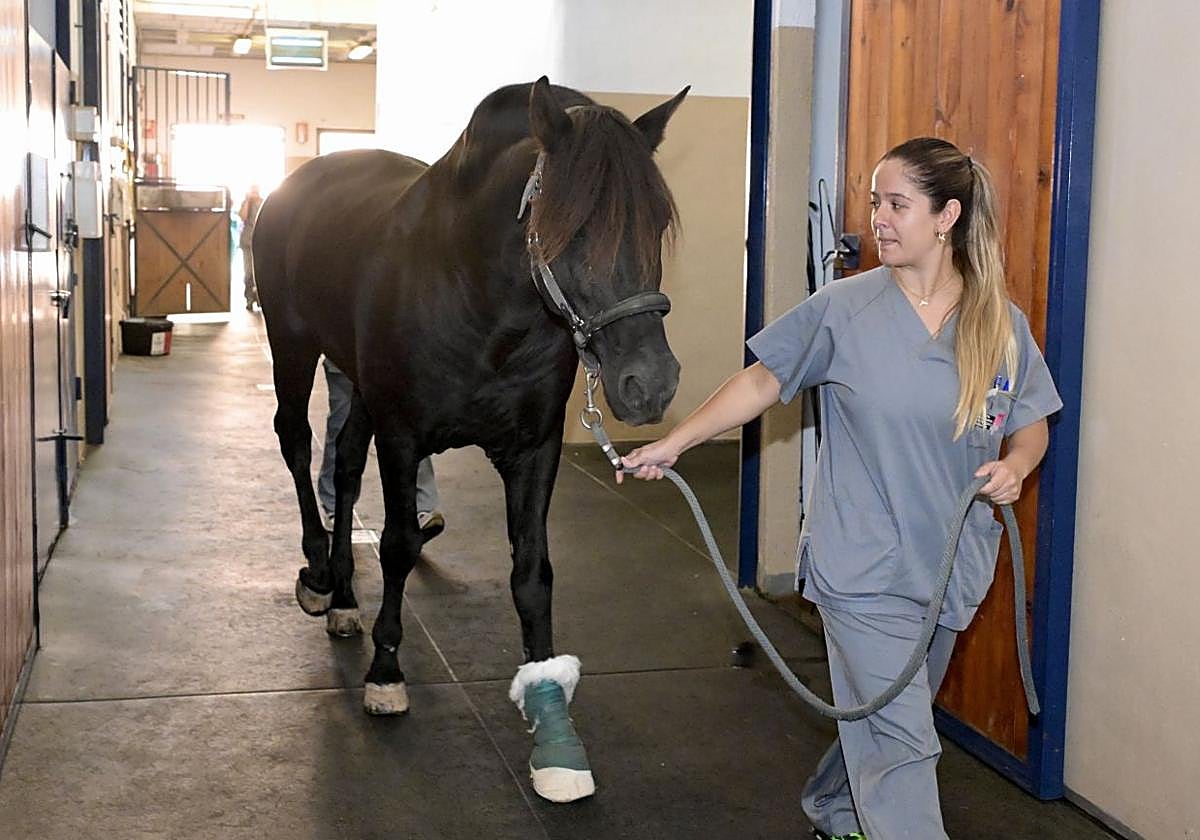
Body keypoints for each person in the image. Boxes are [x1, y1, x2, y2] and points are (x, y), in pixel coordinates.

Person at [619, 137, 1061, 840]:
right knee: (906, 744)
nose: (879, 219)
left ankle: (834, 805)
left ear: (946, 216)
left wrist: (1018, 466)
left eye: (897, 204)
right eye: (876, 202)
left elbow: (1032, 422)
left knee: (885, 710)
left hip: (949, 565)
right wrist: (676, 442)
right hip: (863, 564)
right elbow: (762, 380)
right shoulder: (844, 308)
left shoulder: (997, 323)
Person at [318, 357, 445, 543]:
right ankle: (335, 505)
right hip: (345, 348)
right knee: (343, 423)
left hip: (392, 346)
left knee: (407, 421)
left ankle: (423, 506)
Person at [238, 184, 263, 311]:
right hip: (247, 241)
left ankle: (260, 298)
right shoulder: (246, 203)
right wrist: (247, 200)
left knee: (260, 272)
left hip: (262, 241)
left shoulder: (264, 203)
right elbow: (242, 216)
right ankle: (249, 298)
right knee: (248, 272)